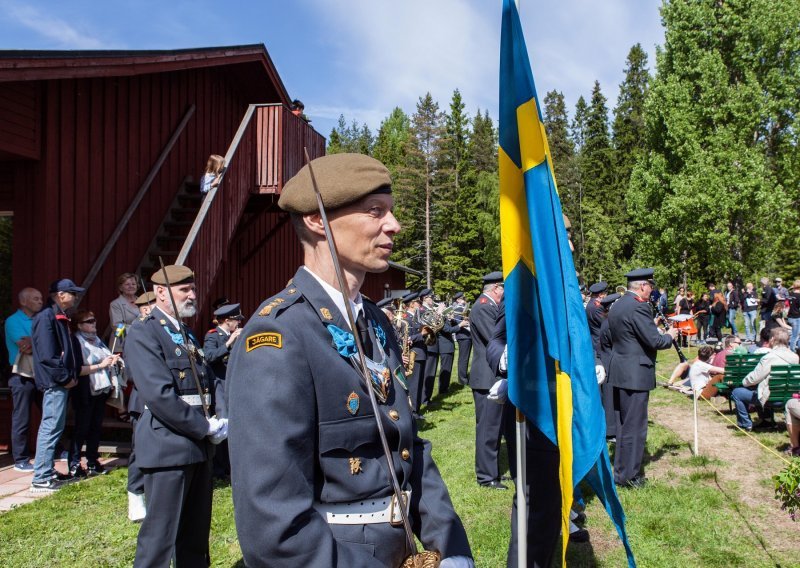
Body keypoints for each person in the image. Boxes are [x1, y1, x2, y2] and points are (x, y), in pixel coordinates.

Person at [226, 153, 473, 567]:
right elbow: (274, 525)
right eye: (376, 211)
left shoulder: (375, 321)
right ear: (317, 220)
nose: (394, 225)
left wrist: (451, 548)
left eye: (391, 212)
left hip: (403, 547)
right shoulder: (279, 337)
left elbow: (410, 446)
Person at [125, 265, 226, 567]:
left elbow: (208, 380)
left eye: (193, 288)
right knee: (160, 537)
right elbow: (159, 395)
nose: (192, 295)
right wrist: (203, 426)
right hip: (168, 446)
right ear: (160, 292)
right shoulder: (144, 332)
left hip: (198, 446)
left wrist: (223, 415)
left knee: (195, 537)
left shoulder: (184, 332)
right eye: (184, 290)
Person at [607, 268, 678, 488]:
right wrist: (669, 336)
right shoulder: (639, 307)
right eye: (650, 286)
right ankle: (630, 475)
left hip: (620, 369)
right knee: (635, 426)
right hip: (635, 373)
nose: (652, 290)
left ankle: (621, 470)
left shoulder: (618, 304)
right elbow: (654, 342)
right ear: (642, 286)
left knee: (623, 425)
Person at [30, 279, 85, 493]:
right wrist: (64, 377)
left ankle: (48, 472)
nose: (76, 297)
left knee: (55, 426)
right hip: (55, 382)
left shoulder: (58, 316)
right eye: (73, 293)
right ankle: (41, 478)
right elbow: (47, 355)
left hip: (59, 381)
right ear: (60, 295)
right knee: (51, 427)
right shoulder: (46, 318)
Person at [69, 310, 121, 478]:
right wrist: (101, 365)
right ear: (79, 325)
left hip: (100, 389)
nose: (94, 324)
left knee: (95, 428)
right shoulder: (76, 341)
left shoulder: (97, 340)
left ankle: (92, 461)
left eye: (94, 320)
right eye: (89, 321)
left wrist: (113, 359)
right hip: (85, 390)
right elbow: (77, 370)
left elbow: (106, 356)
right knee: (81, 428)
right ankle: (74, 463)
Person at [468, 271, 507, 490]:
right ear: (496, 288)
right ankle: (486, 476)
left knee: (495, 427)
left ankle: (492, 471)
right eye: (503, 288)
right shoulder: (484, 307)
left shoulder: (489, 306)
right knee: (487, 428)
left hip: (491, 374)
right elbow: (495, 337)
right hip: (486, 376)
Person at [5, 287, 44, 472]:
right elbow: (24, 347)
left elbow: (41, 344)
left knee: (49, 414)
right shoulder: (13, 321)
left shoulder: (40, 319)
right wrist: (41, 342)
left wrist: (34, 341)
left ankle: (56, 450)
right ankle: (20, 459)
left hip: (40, 373)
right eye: (35, 299)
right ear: (23, 302)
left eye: (41, 298)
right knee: (22, 417)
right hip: (21, 375)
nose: (40, 301)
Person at [203, 302, 243, 479]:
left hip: (232, 384)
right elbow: (209, 356)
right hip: (219, 385)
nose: (238, 324)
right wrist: (229, 342)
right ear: (227, 321)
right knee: (223, 424)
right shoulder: (213, 336)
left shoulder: (234, 335)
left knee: (234, 425)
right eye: (236, 321)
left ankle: (229, 467)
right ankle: (219, 469)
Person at [730, 328, 798, 431]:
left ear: (772, 339)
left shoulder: (769, 357)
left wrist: (744, 382)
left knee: (737, 392)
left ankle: (745, 424)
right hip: (789, 396)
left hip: (771, 398)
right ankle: (767, 421)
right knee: (761, 389)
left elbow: (753, 379)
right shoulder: (795, 357)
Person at [126, 291, 155, 523]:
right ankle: (135, 494)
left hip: (161, 399)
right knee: (139, 450)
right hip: (143, 399)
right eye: (150, 305)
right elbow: (133, 372)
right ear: (144, 309)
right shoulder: (136, 331)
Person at [437, 299, 468, 396]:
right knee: (445, 368)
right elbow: (447, 330)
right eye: (444, 307)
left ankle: (445, 388)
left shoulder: (444, 318)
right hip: (444, 346)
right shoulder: (439, 318)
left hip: (448, 346)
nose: (446, 308)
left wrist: (451, 319)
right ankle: (442, 389)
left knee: (448, 369)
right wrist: (460, 325)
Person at [108, 272, 140, 354]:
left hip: (141, 344)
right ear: (121, 288)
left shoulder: (144, 301)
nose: (131, 286)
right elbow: (117, 326)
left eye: (133, 284)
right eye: (127, 284)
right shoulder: (115, 304)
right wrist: (141, 329)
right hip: (122, 346)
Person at [452, 292, 472, 386]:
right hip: (462, 336)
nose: (464, 300)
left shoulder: (463, 308)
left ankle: (464, 377)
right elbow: (456, 322)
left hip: (467, 335)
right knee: (463, 358)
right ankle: (462, 379)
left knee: (466, 358)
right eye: (462, 298)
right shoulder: (458, 309)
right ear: (458, 300)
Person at [585, 281, 608, 354]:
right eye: (605, 294)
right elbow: (605, 324)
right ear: (600, 295)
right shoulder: (598, 307)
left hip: (595, 340)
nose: (606, 296)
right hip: (599, 342)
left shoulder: (591, 303)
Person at [787, 279, 800, 353]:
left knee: (794, 334)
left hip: (790, 316)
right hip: (796, 317)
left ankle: (793, 347)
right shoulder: (799, 296)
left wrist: (791, 287)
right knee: (795, 335)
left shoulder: (790, 294)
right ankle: (792, 350)